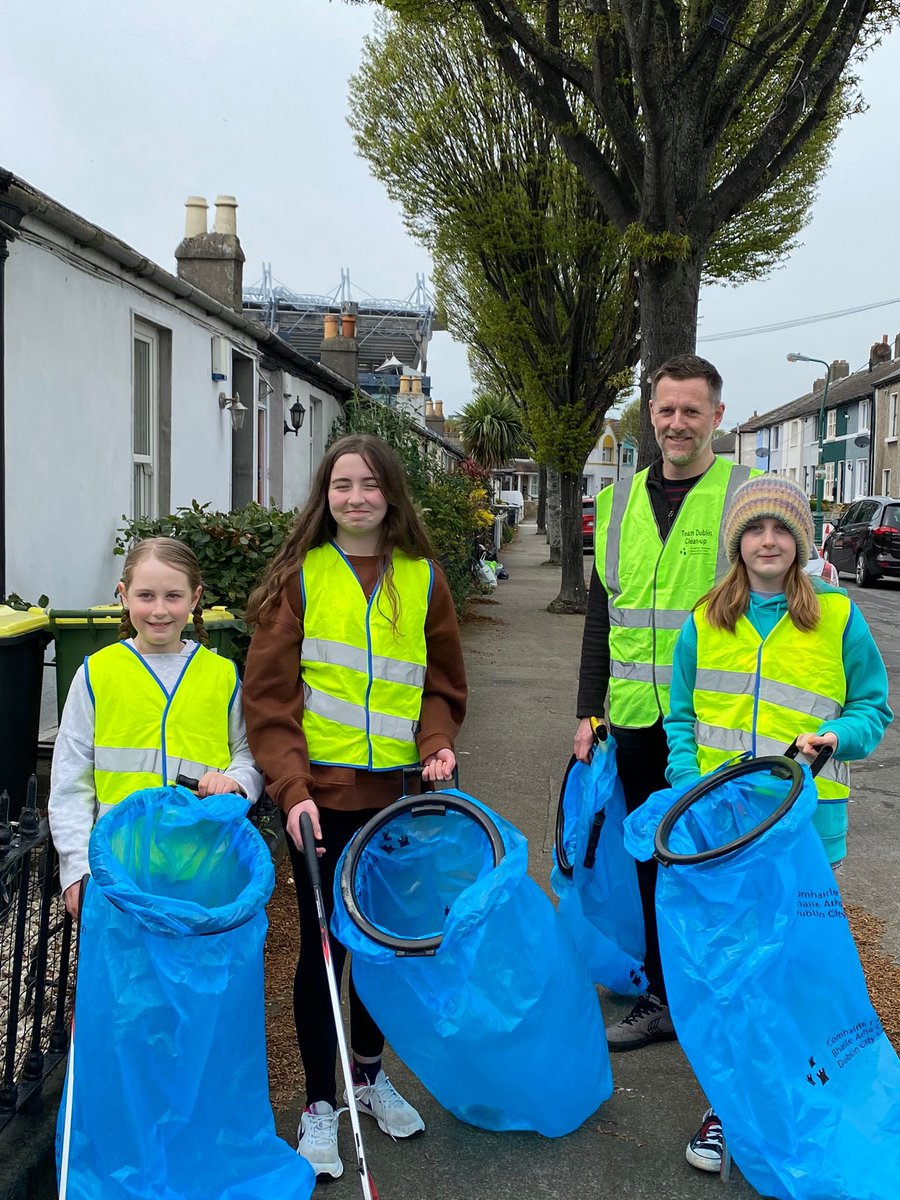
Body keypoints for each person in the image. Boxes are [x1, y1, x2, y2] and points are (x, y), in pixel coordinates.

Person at [242, 433, 467, 1180]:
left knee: (382, 948)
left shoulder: (424, 578)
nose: (357, 497)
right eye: (342, 484)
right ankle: (318, 1106)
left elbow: (441, 683)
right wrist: (291, 791)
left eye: (371, 484)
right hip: (320, 803)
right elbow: (270, 702)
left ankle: (367, 1080)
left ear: (392, 493)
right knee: (324, 951)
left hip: (401, 799)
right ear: (324, 495)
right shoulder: (299, 580)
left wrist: (436, 742)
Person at [664, 474, 891, 1173]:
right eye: (756, 529)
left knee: (794, 970)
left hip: (804, 832)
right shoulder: (704, 621)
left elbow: (873, 710)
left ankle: (799, 1096)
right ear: (738, 542)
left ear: (801, 541)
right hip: (724, 838)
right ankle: (728, 1110)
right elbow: (678, 721)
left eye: (782, 529)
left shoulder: (840, 617)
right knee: (732, 974)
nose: (769, 541)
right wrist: (687, 792)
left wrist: (836, 737)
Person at [575, 353, 756, 1050]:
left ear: (716, 416)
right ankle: (661, 994)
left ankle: (714, 992)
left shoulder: (744, 493)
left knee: (714, 860)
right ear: (649, 417)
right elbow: (602, 613)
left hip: (714, 722)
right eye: (665, 410)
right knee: (650, 857)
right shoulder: (617, 498)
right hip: (632, 719)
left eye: (691, 410)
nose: (677, 423)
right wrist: (586, 711)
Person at [49, 537, 262, 919]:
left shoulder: (222, 676)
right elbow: (70, 780)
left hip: (203, 869)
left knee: (193, 975)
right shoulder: (96, 675)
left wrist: (238, 782)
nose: (159, 610)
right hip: (117, 870)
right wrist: (77, 869)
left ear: (195, 598)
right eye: (146, 595)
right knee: (126, 978)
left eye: (173, 596)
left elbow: (247, 752)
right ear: (123, 596)